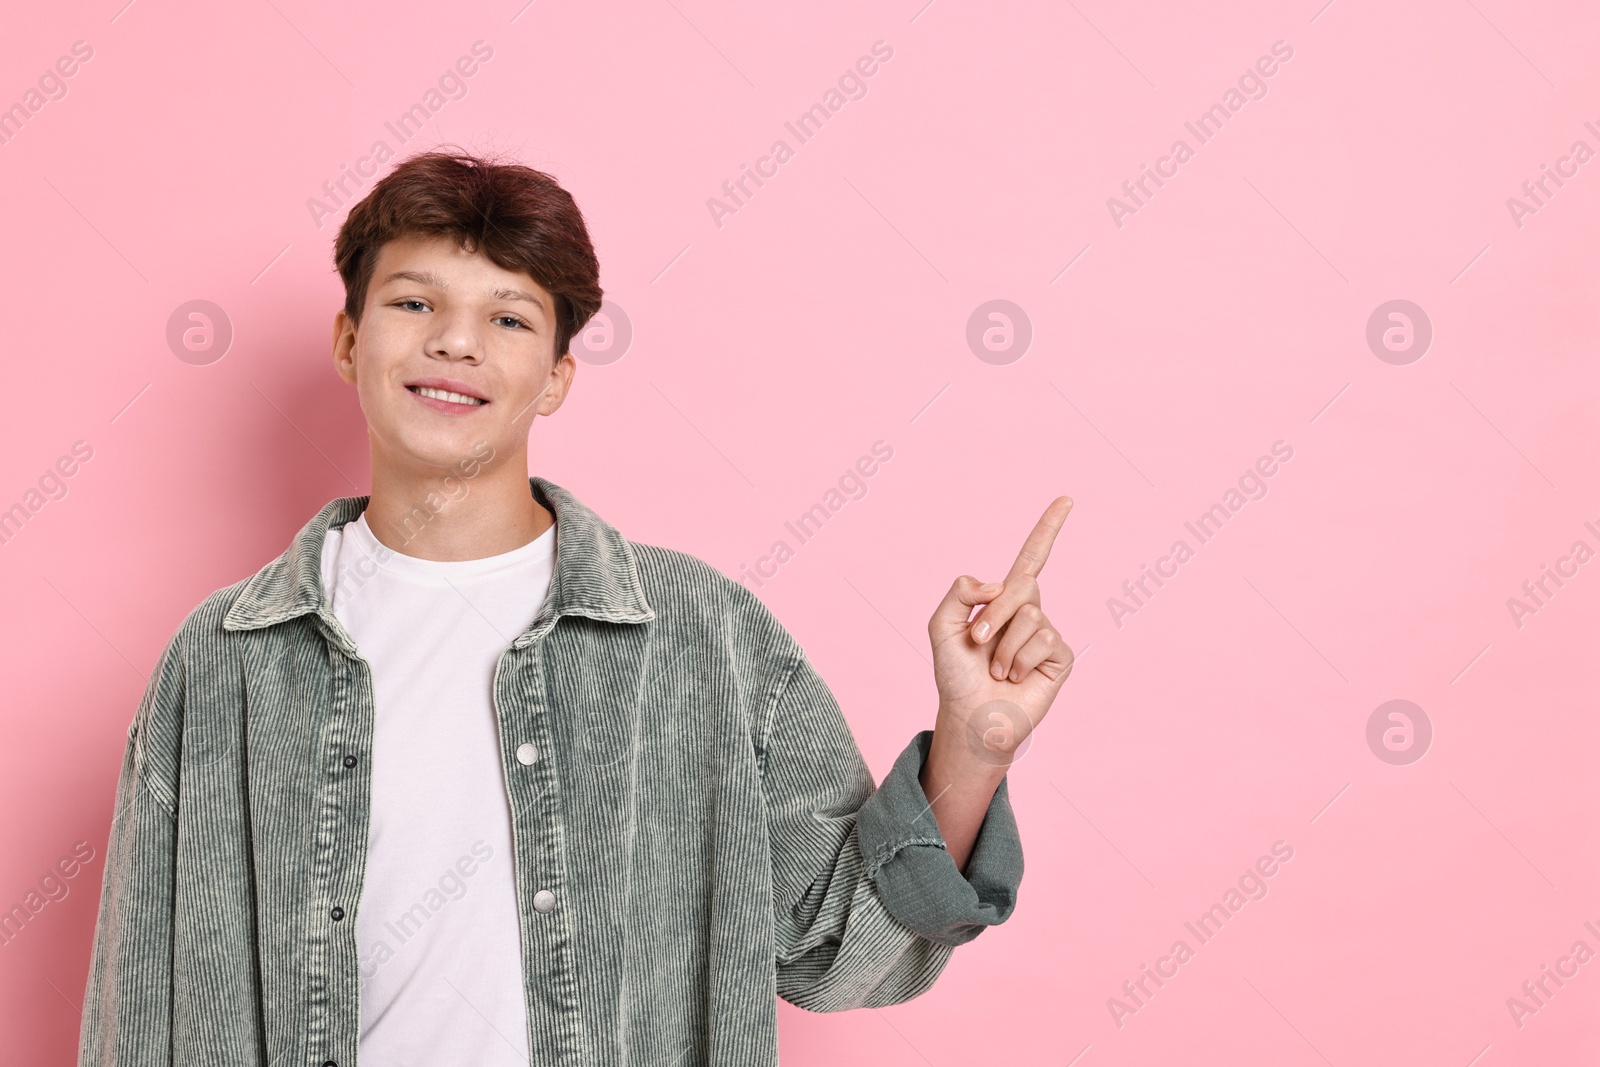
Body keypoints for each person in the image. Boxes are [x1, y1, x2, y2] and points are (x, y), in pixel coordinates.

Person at [76, 148, 1075, 1067]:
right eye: (414, 303)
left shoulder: (699, 635)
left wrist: (974, 746)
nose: (456, 343)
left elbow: (837, 952)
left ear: (554, 375)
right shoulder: (225, 658)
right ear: (348, 339)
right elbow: (140, 1012)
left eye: (507, 317)